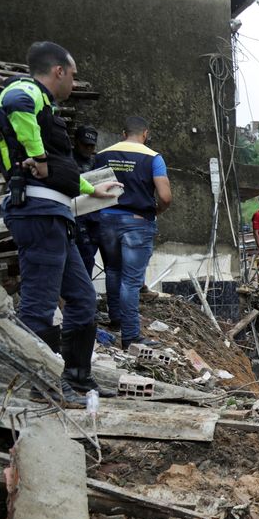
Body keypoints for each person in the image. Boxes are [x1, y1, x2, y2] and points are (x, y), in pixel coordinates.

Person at [0, 42, 122, 404]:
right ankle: (42, 385)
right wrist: (36, 155)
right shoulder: (25, 91)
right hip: (37, 214)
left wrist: (93, 191)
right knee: (39, 305)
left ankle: (77, 378)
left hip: (55, 216)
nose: (74, 82)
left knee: (82, 299)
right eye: (73, 74)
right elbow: (15, 104)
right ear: (58, 71)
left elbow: (62, 174)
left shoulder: (45, 107)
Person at [92, 117, 172, 349]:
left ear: (123, 133)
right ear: (145, 133)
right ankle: (130, 335)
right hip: (137, 222)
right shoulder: (153, 157)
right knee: (131, 280)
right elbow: (165, 196)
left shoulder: (103, 155)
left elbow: (92, 188)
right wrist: (156, 210)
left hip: (106, 219)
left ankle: (116, 319)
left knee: (113, 271)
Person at [71, 125, 102, 276]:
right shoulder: (68, 160)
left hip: (94, 215)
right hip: (75, 215)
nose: (88, 149)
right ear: (76, 142)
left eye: (91, 146)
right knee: (84, 256)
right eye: (85, 145)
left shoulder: (95, 161)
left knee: (89, 255)